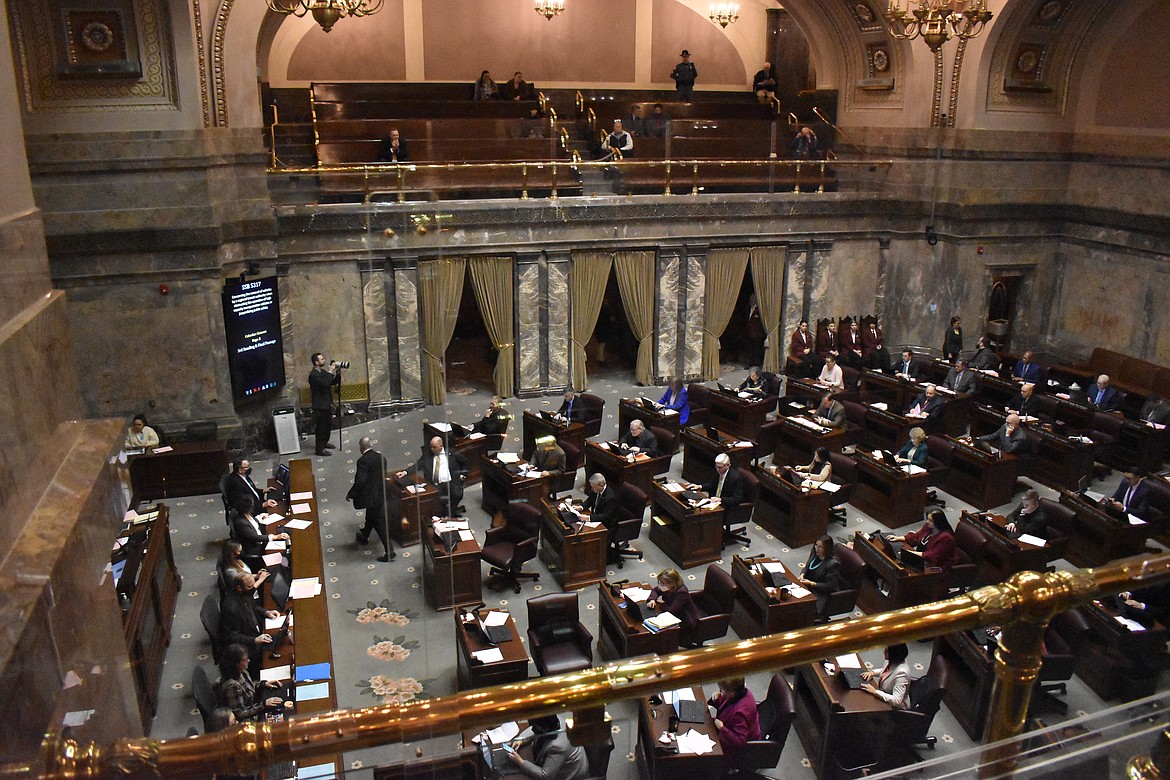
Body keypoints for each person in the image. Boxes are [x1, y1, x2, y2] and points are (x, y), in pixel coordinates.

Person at [219, 568, 278, 677]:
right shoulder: (231, 608)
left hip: (258, 631)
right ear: (239, 588)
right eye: (250, 587)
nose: (253, 589)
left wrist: (266, 612)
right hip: (248, 643)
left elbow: (253, 607)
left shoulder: (245, 593)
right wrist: (254, 640)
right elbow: (231, 636)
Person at [504, 713, 589, 780]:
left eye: (535, 728)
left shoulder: (558, 747)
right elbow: (535, 729)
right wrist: (520, 740)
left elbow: (544, 775)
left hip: (570, 776)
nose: (533, 729)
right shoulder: (554, 721)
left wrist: (520, 762)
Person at [349, 437, 394, 562]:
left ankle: (390, 552)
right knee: (370, 516)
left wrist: (351, 493)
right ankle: (364, 535)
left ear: (361, 448)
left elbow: (360, 481)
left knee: (379, 523)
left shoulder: (362, 461)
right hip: (381, 493)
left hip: (371, 497)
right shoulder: (381, 457)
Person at [216, 643, 283, 723]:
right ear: (236, 664)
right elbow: (239, 713)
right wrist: (263, 705)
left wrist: (263, 684)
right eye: (245, 659)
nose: (248, 661)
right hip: (248, 719)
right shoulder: (231, 686)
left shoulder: (241, 671)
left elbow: (247, 687)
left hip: (254, 704)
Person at [403, 436, 469, 517]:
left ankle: (451, 513)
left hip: (451, 482)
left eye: (434, 447)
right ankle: (441, 516)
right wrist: (405, 472)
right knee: (435, 499)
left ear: (441, 446)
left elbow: (465, 461)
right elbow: (417, 465)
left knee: (457, 494)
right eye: (431, 447)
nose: (432, 449)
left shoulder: (452, 453)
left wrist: (462, 475)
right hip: (435, 484)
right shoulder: (427, 455)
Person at [707, 677, 761, 771]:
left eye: (722, 690)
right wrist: (718, 698)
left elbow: (739, 741)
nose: (720, 691)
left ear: (732, 693)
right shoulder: (742, 693)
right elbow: (726, 707)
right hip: (728, 726)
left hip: (736, 746)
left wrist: (722, 728)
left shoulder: (740, 713)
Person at [230, 495, 290, 571]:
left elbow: (252, 522)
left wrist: (260, 516)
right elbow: (255, 537)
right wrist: (275, 537)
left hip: (260, 539)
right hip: (255, 547)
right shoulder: (240, 523)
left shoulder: (246, 514)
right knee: (281, 555)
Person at [888, 509, 959, 573]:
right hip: (922, 560)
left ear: (938, 522)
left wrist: (910, 553)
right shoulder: (929, 527)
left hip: (937, 568)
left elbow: (933, 555)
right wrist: (898, 538)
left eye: (930, 520)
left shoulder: (946, 538)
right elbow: (917, 536)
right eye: (927, 519)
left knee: (903, 571)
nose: (927, 522)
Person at [647, 568, 700, 645]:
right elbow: (655, 590)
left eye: (662, 583)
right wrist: (652, 599)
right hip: (675, 613)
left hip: (685, 620)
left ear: (671, 584)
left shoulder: (682, 592)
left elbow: (670, 611)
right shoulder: (667, 587)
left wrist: (662, 603)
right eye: (659, 582)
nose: (659, 585)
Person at [797, 535, 842, 619]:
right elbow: (807, 566)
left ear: (827, 549)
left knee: (802, 609)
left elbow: (828, 586)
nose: (816, 548)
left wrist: (811, 583)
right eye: (816, 545)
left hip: (821, 593)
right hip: (808, 585)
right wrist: (802, 574)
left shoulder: (833, 564)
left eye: (820, 547)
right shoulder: (815, 552)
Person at [860, 644, 912, 709]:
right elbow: (886, 671)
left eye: (886, 651)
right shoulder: (893, 660)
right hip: (884, 694)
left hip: (894, 708)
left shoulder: (902, 673)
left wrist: (875, 692)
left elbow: (897, 701)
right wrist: (873, 673)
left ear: (893, 653)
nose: (883, 652)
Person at [308, 352, 340, 456]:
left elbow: (332, 382)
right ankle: (319, 449)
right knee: (321, 427)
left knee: (327, 425)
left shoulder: (322, 372)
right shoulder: (313, 375)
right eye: (322, 359)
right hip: (319, 405)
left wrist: (337, 373)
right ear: (316, 362)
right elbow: (326, 383)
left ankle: (324, 442)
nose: (324, 360)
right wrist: (331, 371)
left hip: (326, 403)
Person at [582, 473, 620, 542]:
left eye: (593, 487)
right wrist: (581, 507)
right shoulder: (596, 490)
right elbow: (589, 501)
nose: (592, 489)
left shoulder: (610, 498)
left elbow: (606, 516)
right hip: (597, 518)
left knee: (588, 537)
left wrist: (589, 518)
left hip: (607, 525)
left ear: (601, 485)